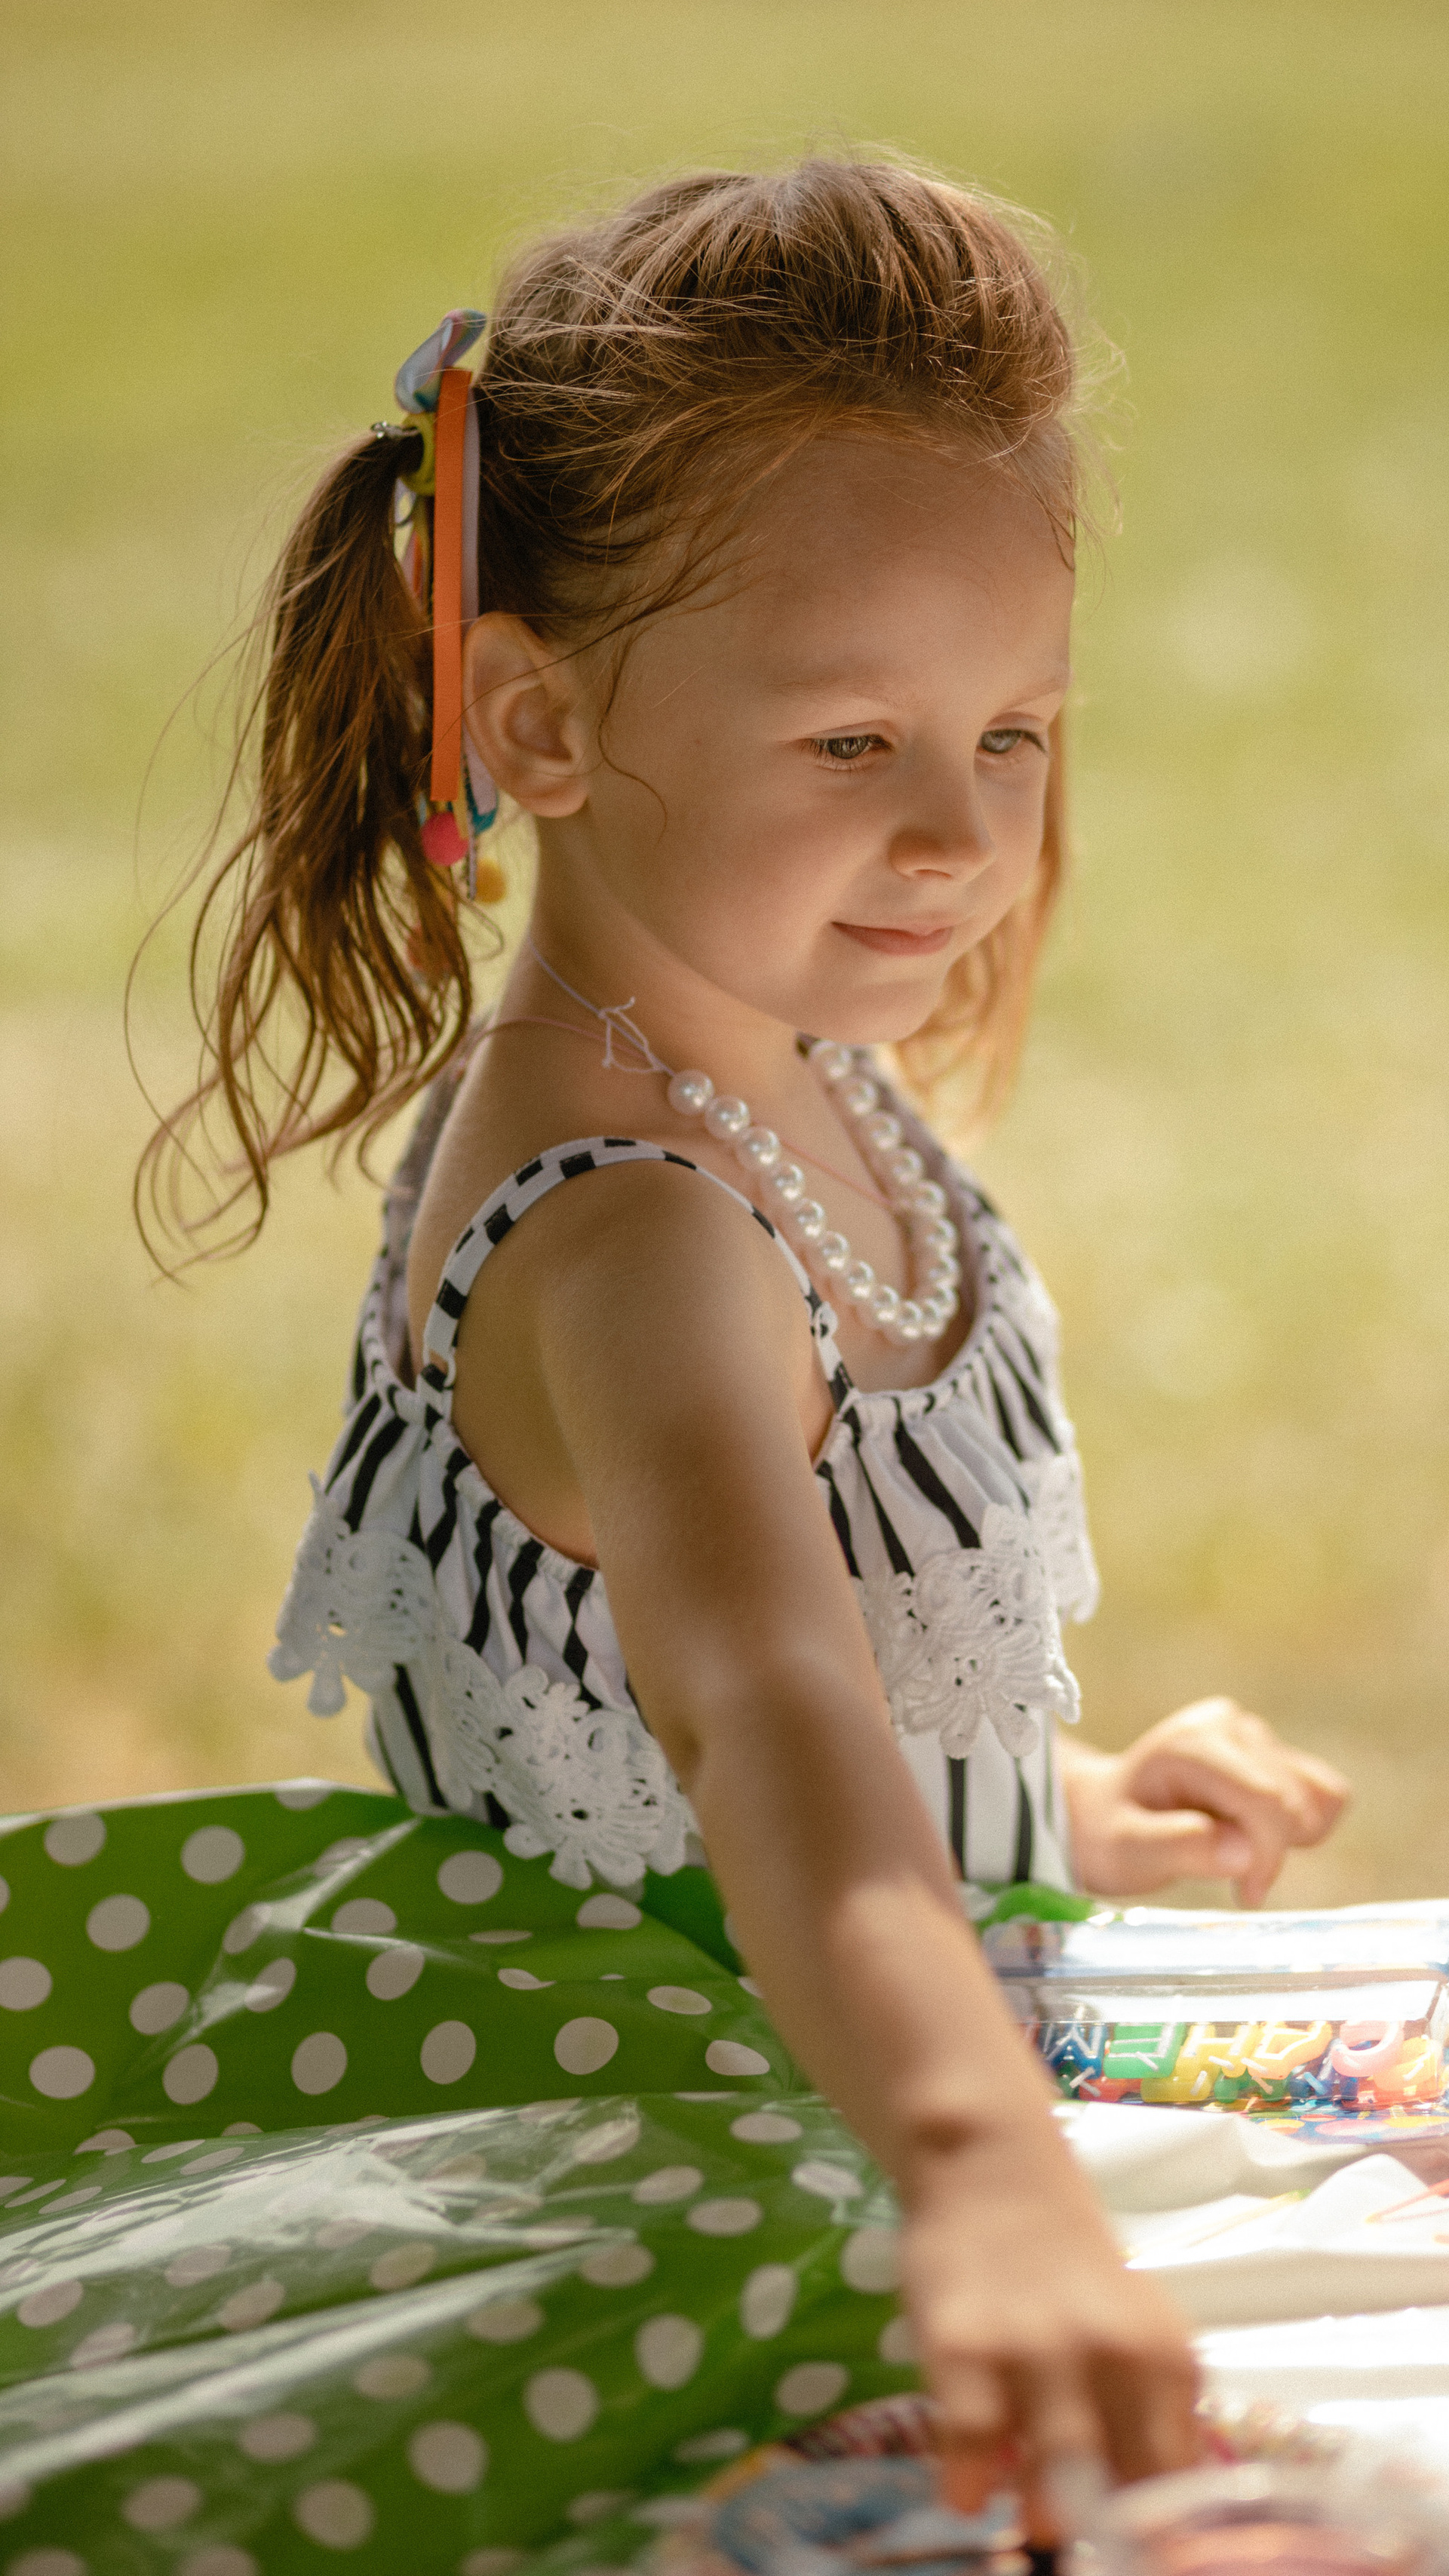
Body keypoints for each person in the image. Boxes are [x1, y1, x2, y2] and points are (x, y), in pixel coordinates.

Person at [135, 155, 1350, 2535]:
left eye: (1012, 731)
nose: (960, 838)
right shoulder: (641, 1238)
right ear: (545, 725)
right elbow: (757, 1713)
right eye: (848, 744)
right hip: (668, 2153)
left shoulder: (753, 1053)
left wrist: (1062, 1813)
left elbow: (689, 1761)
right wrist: (984, 2174)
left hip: (845, 2033)